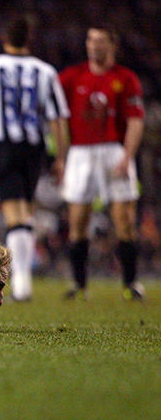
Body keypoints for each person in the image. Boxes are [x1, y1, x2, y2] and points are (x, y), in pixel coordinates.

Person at [0, 16, 70, 302]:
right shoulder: (45, 71)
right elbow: (58, 118)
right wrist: (61, 157)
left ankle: (20, 281)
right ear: (29, 40)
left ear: (4, 40)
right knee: (26, 211)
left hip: (4, 145)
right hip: (35, 148)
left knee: (13, 213)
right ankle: (23, 277)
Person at [56, 24, 145, 300]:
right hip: (80, 153)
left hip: (114, 151)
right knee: (78, 221)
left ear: (112, 45)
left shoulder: (126, 78)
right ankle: (79, 285)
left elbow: (135, 120)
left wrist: (127, 157)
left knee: (124, 221)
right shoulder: (71, 77)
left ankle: (130, 284)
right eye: (90, 39)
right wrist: (61, 157)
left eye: (100, 40)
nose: (93, 45)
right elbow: (58, 119)